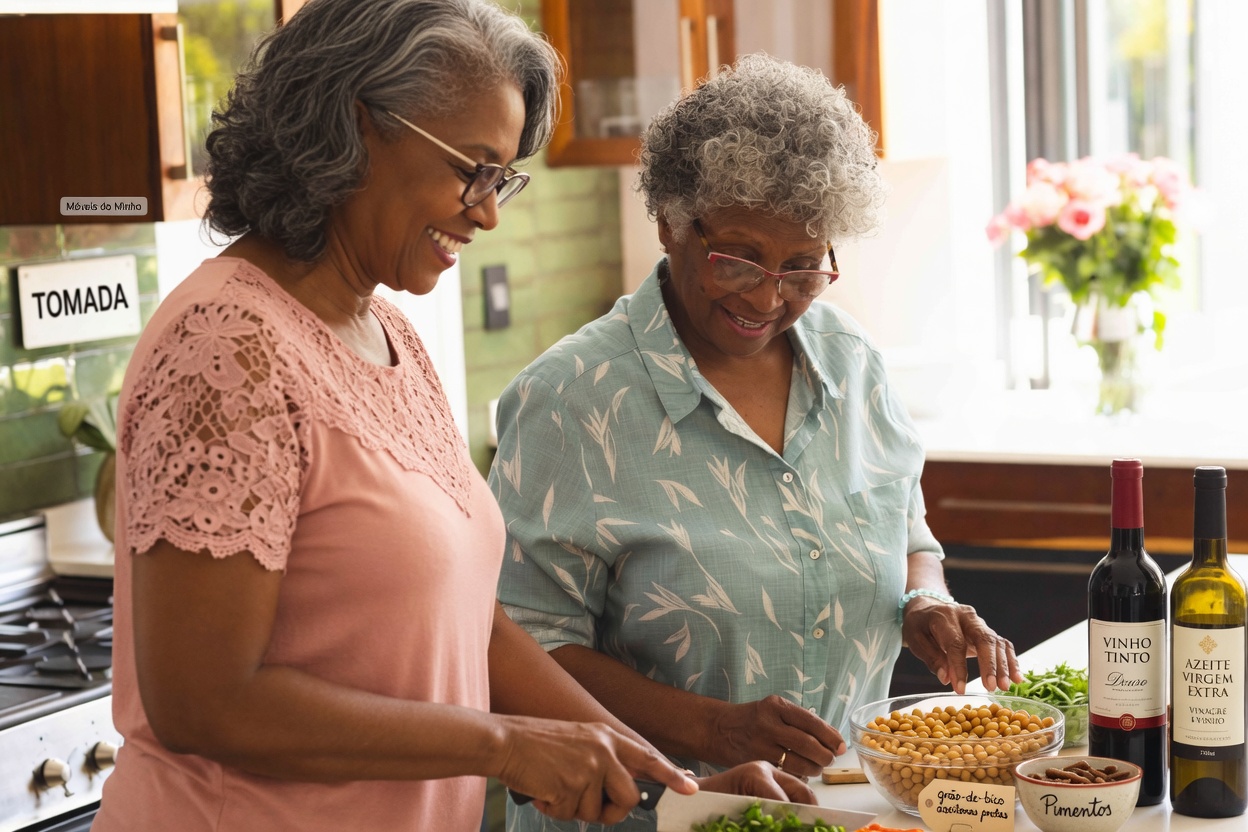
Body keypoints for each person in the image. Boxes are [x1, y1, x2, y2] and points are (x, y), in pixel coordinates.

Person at [92, 5, 813, 831]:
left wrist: (672, 782)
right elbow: (204, 702)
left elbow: (469, 623)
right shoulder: (225, 348)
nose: (487, 211)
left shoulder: (388, 333)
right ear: (357, 126)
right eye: (472, 169)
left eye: (501, 178)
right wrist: (503, 746)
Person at [490, 54, 1025, 832]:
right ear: (670, 220)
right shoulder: (572, 399)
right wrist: (711, 728)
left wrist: (925, 597)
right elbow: (518, 647)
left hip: (842, 811)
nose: (769, 297)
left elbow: (905, 525)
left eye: (803, 268)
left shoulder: (851, 362)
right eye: (738, 259)